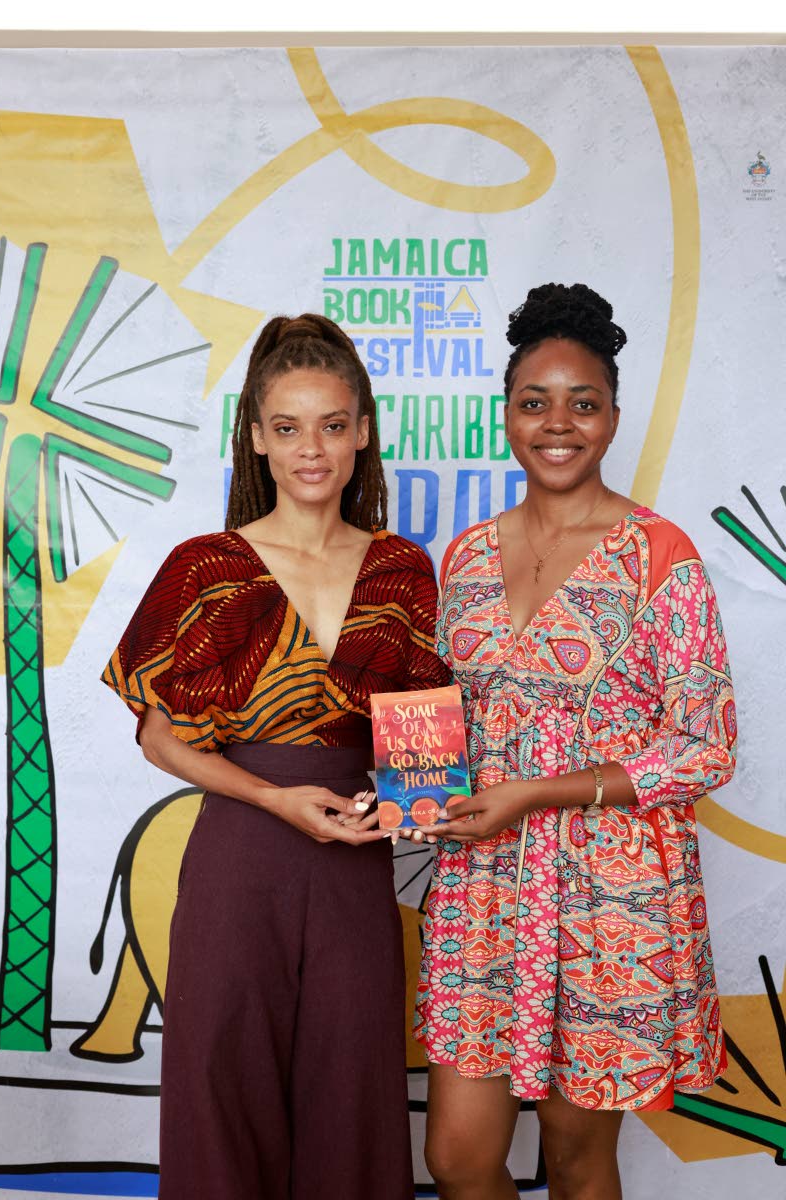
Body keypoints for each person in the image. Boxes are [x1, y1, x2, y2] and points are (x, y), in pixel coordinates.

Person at [101, 313, 449, 1200]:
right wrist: (273, 799)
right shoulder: (206, 566)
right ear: (255, 438)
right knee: (224, 1096)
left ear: (363, 431)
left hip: (353, 868)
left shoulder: (404, 569)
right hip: (239, 859)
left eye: (333, 426)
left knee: (355, 1097)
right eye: (288, 428)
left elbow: (423, 756)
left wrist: (406, 806)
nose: (312, 450)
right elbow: (158, 736)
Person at [413, 283, 737, 1200]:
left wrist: (544, 793)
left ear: (612, 418)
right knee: (459, 1159)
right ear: (508, 415)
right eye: (535, 403)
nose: (558, 424)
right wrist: (416, 786)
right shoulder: (467, 555)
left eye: (582, 404)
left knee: (575, 1155)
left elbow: (706, 744)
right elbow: (449, 714)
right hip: (484, 887)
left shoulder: (658, 553)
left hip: (610, 899)